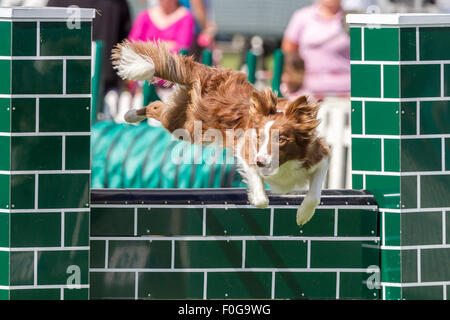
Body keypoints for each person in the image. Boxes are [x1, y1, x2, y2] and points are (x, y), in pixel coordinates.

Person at [282, 0, 350, 100]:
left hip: (345, 92)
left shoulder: (352, 18)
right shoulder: (301, 16)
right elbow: (288, 50)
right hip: (307, 90)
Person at [128, 0, 195, 53]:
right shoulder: (145, 16)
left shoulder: (185, 17)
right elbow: (133, 43)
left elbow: (182, 48)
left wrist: (147, 44)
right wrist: (166, 45)